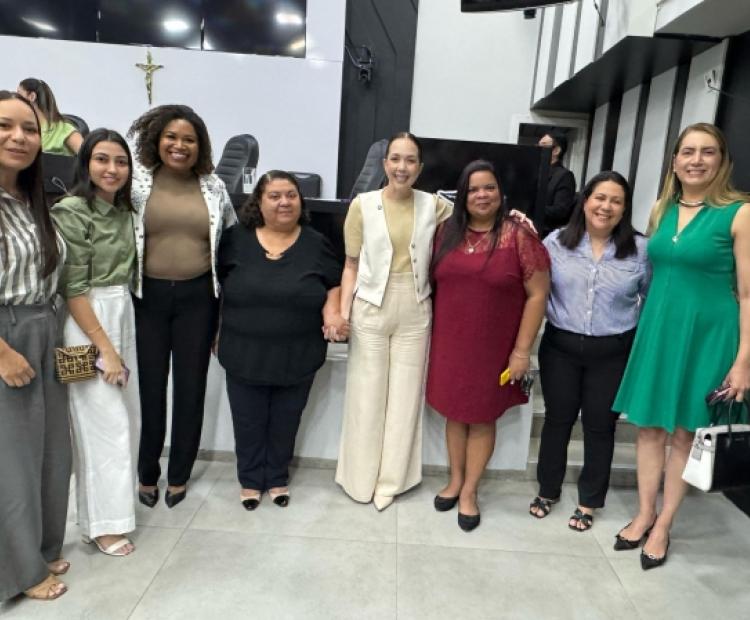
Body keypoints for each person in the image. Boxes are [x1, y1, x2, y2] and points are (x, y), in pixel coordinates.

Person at [613, 123, 750, 570]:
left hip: (709, 335)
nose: (696, 160)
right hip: (659, 329)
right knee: (649, 428)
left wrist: (744, 361)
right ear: (674, 161)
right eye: (688, 151)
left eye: (708, 152)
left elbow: (748, 294)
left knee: (686, 433)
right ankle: (644, 513)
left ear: (722, 161)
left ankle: (665, 523)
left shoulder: (740, 213)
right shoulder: (662, 209)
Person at [427, 160, 550, 531]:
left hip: (494, 346)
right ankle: (454, 480)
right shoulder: (445, 233)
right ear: (462, 196)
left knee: (481, 417)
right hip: (449, 343)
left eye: (489, 188)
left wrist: (522, 351)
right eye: (474, 189)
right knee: (454, 413)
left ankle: (469, 491)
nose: (482, 195)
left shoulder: (519, 236)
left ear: (501, 193)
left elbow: (538, 295)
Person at [335, 131, 453, 511]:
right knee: (366, 396)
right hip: (371, 304)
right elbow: (351, 265)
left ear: (420, 166)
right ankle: (359, 478)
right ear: (385, 164)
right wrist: (343, 314)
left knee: (405, 399)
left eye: (410, 160)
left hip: (415, 307)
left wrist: (513, 217)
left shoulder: (434, 205)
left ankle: (392, 481)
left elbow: (476, 219)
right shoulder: (362, 205)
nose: (403, 167)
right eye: (396, 159)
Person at [128, 105, 237, 509]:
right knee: (151, 388)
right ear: (157, 140)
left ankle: (179, 474)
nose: (179, 145)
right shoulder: (137, 183)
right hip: (148, 298)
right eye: (171, 137)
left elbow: (230, 244)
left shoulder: (214, 187)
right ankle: (147, 472)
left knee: (191, 389)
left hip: (198, 299)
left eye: (189, 139)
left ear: (200, 145)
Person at [528, 171, 650, 532]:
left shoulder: (641, 250)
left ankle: (589, 501)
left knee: (600, 426)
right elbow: (537, 291)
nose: (606, 206)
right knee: (557, 419)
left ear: (624, 208)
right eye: (600, 198)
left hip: (612, 351)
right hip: (561, 347)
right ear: (585, 201)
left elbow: (651, 299)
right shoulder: (555, 243)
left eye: (616, 201)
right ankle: (547, 490)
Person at [217, 171, 346, 509]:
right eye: (274, 196)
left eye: (291, 195)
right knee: (247, 419)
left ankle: (276, 476)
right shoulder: (234, 240)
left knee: (286, 420)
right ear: (258, 202)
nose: (284, 202)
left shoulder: (316, 243)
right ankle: (250, 479)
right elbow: (214, 287)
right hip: (243, 350)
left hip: (298, 351)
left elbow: (334, 282)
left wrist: (333, 312)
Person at [50, 128, 139, 556]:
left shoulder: (122, 211)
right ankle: (103, 527)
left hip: (121, 311)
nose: (112, 169)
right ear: (85, 163)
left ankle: (102, 517)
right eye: (102, 159)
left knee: (124, 420)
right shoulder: (71, 210)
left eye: (121, 161)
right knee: (100, 425)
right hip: (81, 323)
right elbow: (72, 288)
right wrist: (105, 348)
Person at [0, 90, 70, 601]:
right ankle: (20, 572)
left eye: (29, 129)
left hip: (46, 327)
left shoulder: (31, 198)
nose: (19, 137)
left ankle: (40, 548)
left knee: (51, 453)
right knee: (13, 462)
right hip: (9, 336)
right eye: (5, 126)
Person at [17, 78, 83, 155]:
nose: (16, 100)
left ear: (32, 97)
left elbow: (88, 156)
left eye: (19, 94)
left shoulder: (63, 129)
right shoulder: (20, 130)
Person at [538, 131, 576, 238]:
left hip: (546, 233)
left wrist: (532, 208)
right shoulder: (536, 171)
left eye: (543, 145)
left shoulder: (565, 176)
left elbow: (561, 211)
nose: (538, 149)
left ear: (556, 150)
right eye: (538, 145)